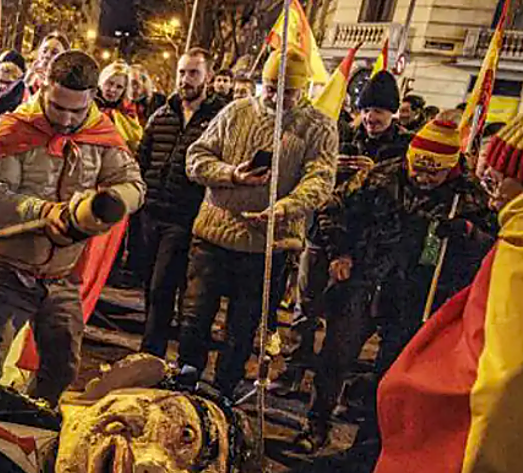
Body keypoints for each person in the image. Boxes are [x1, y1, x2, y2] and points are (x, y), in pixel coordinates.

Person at [324, 117, 523, 473]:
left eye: (503, 173)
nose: (492, 182)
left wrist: (415, 386)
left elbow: (496, 378)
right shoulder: (387, 183)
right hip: (378, 290)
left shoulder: (509, 246)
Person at [300, 114, 495, 451]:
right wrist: (341, 252)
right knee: (335, 357)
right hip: (364, 279)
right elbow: (332, 209)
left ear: (449, 169)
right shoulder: (380, 176)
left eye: (432, 173)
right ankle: (316, 424)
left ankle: (372, 441)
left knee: (392, 372)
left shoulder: (469, 196)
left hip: (417, 296)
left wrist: (468, 234)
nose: (421, 178)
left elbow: (493, 247)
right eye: (416, 168)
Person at [0, 50, 145, 404]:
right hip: (5, 269)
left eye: (77, 110)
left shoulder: (101, 134)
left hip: (61, 277)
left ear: (93, 98)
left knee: (61, 368)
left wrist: (98, 207)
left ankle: (26, 431)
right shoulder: (14, 128)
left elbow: (133, 186)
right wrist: (45, 212)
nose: (65, 118)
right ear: (45, 87)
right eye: (58, 106)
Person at [176, 48, 338, 399]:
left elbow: (321, 179)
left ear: (305, 89)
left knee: (243, 326)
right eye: (270, 88)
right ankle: (185, 376)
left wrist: (286, 207)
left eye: (289, 91)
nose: (278, 97)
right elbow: (196, 158)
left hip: (267, 244)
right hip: (213, 235)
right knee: (194, 314)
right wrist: (231, 174)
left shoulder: (319, 127)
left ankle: (224, 391)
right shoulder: (236, 112)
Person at [283, 69, 415, 380]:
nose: (371, 118)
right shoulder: (342, 135)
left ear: (393, 113)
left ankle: (327, 387)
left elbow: (406, 196)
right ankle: (293, 368)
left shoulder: (404, 148)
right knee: (305, 308)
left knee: (345, 324)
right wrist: (334, 169)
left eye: (378, 111)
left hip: (364, 247)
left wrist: (376, 173)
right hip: (322, 236)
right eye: (366, 110)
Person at [136, 48, 227, 359]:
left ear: (208, 77)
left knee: (165, 286)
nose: (185, 80)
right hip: (151, 213)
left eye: (193, 73)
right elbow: (142, 158)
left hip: (184, 216)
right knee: (150, 286)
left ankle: (152, 355)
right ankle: (154, 351)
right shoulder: (161, 116)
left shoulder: (219, 119)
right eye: (182, 73)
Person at [0, 32, 68, 122]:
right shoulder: (24, 82)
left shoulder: (66, 92)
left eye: (54, 53)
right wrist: (24, 83)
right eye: (44, 51)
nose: (47, 56)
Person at [95, 61, 143, 150]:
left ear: (124, 90)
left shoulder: (128, 112)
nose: (112, 89)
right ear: (102, 82)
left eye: (119, 87)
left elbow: (135, 141)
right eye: (110, 83)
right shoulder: (87, 105)